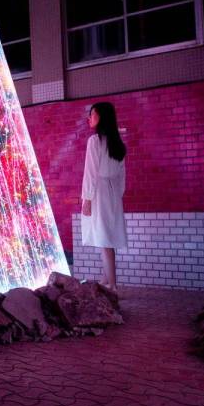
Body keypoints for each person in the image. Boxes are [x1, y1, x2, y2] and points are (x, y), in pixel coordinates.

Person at [80, 102, 128, 291]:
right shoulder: (118, 144)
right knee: (106, 237)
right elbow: (122, 175)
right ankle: (106, 280)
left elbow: (90, 172)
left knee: (104, 239)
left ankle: (112, 286)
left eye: (92, 114)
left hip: (99, 192)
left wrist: (87, 198)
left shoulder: (95, 141)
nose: (89, 118)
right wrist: (117, 195)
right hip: (113, 193)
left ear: (101, 117)